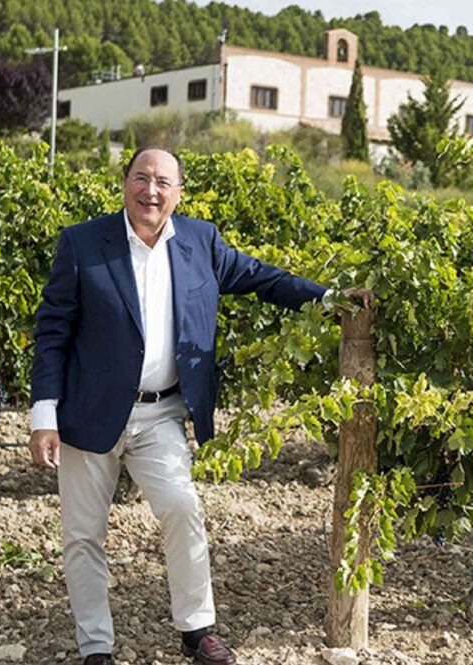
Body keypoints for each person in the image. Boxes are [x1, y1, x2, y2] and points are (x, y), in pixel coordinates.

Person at [29, 147, 368, 665]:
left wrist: (328, 298)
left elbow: (261, 278)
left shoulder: (199, 241)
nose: (151, 190)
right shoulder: (82, 243)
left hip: (162, 413)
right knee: (82, 535)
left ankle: (197, 630)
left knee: (184, 508)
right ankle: (95, 647)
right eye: (141, 178)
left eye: (163, 181)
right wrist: (43, 415)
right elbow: (51, 332)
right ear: (124, 184)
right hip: (88, 413)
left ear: (178, 192)